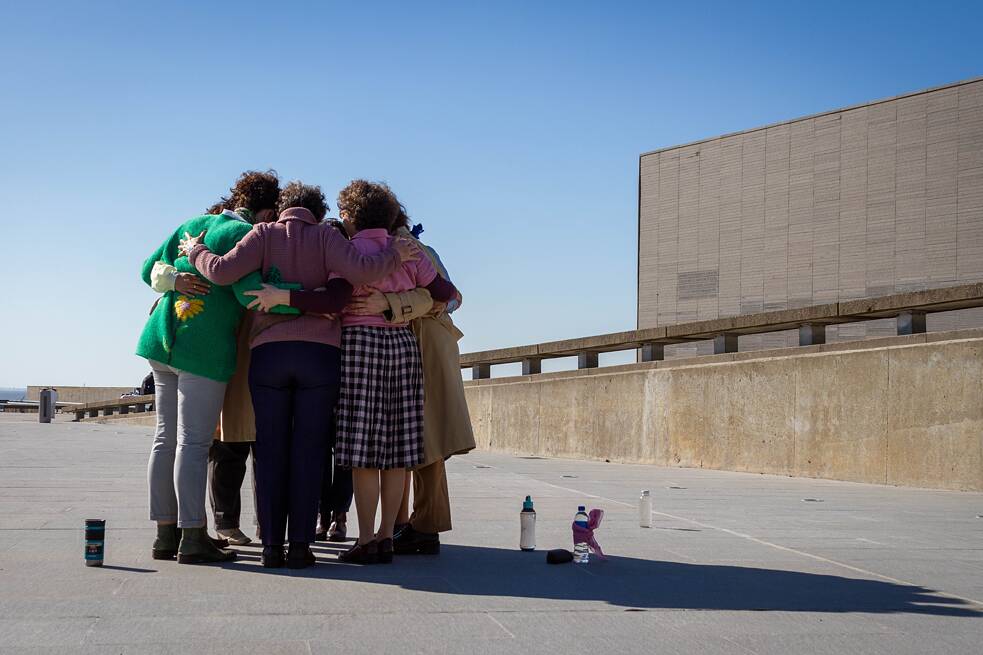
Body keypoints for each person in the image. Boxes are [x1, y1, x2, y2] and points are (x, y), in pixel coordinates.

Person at [181, 181, 417, 569]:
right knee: (310, 451)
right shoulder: (327, 238)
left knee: (271, 450)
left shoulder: (262, 234)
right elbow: (363, 269)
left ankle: (272, 546)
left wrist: (196, 250)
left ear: (280, 210)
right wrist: (395, 253)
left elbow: (221, 273)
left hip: (269, 355)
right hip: (320, 357)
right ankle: (302, 547)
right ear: (320, 213)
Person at [137, 170, 282, 564]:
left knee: (165, 439)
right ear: (266, 210)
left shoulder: (191, 225)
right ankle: (192, 535)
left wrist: (174, 280)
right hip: (202, 352)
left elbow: (147, 269)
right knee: (194, 443)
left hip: (161, 341)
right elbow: (250, 292)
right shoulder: (245, 235)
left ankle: (165, 534)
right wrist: (297, 300)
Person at [330, 180, 459, 565]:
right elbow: (446, 292)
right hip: (403, 346)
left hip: (359, 346)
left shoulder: (347, 251)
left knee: (363, 451)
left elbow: (333, 298)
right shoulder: (411, 252)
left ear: (350, 217)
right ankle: (388, 536)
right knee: (399, 448)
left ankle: (365, 538)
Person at [349, 207, 475, 556]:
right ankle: (408, 524)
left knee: (427, 440)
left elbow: (450, 298)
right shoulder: (404, 247)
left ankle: (424, 526)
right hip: (414, 340)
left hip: (424, 343)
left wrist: (390, 303)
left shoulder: (408, 248)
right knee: (413, 440)